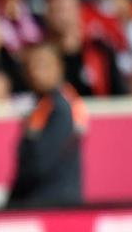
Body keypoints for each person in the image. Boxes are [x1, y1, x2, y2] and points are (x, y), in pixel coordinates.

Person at [6, 42, 87, 208]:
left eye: (43, 65)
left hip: (54, 206)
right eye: (30, 65)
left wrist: (11, 203)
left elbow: (39, 163)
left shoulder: (60, 108)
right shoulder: (41, 106)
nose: (35, 72)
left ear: (59, 67)